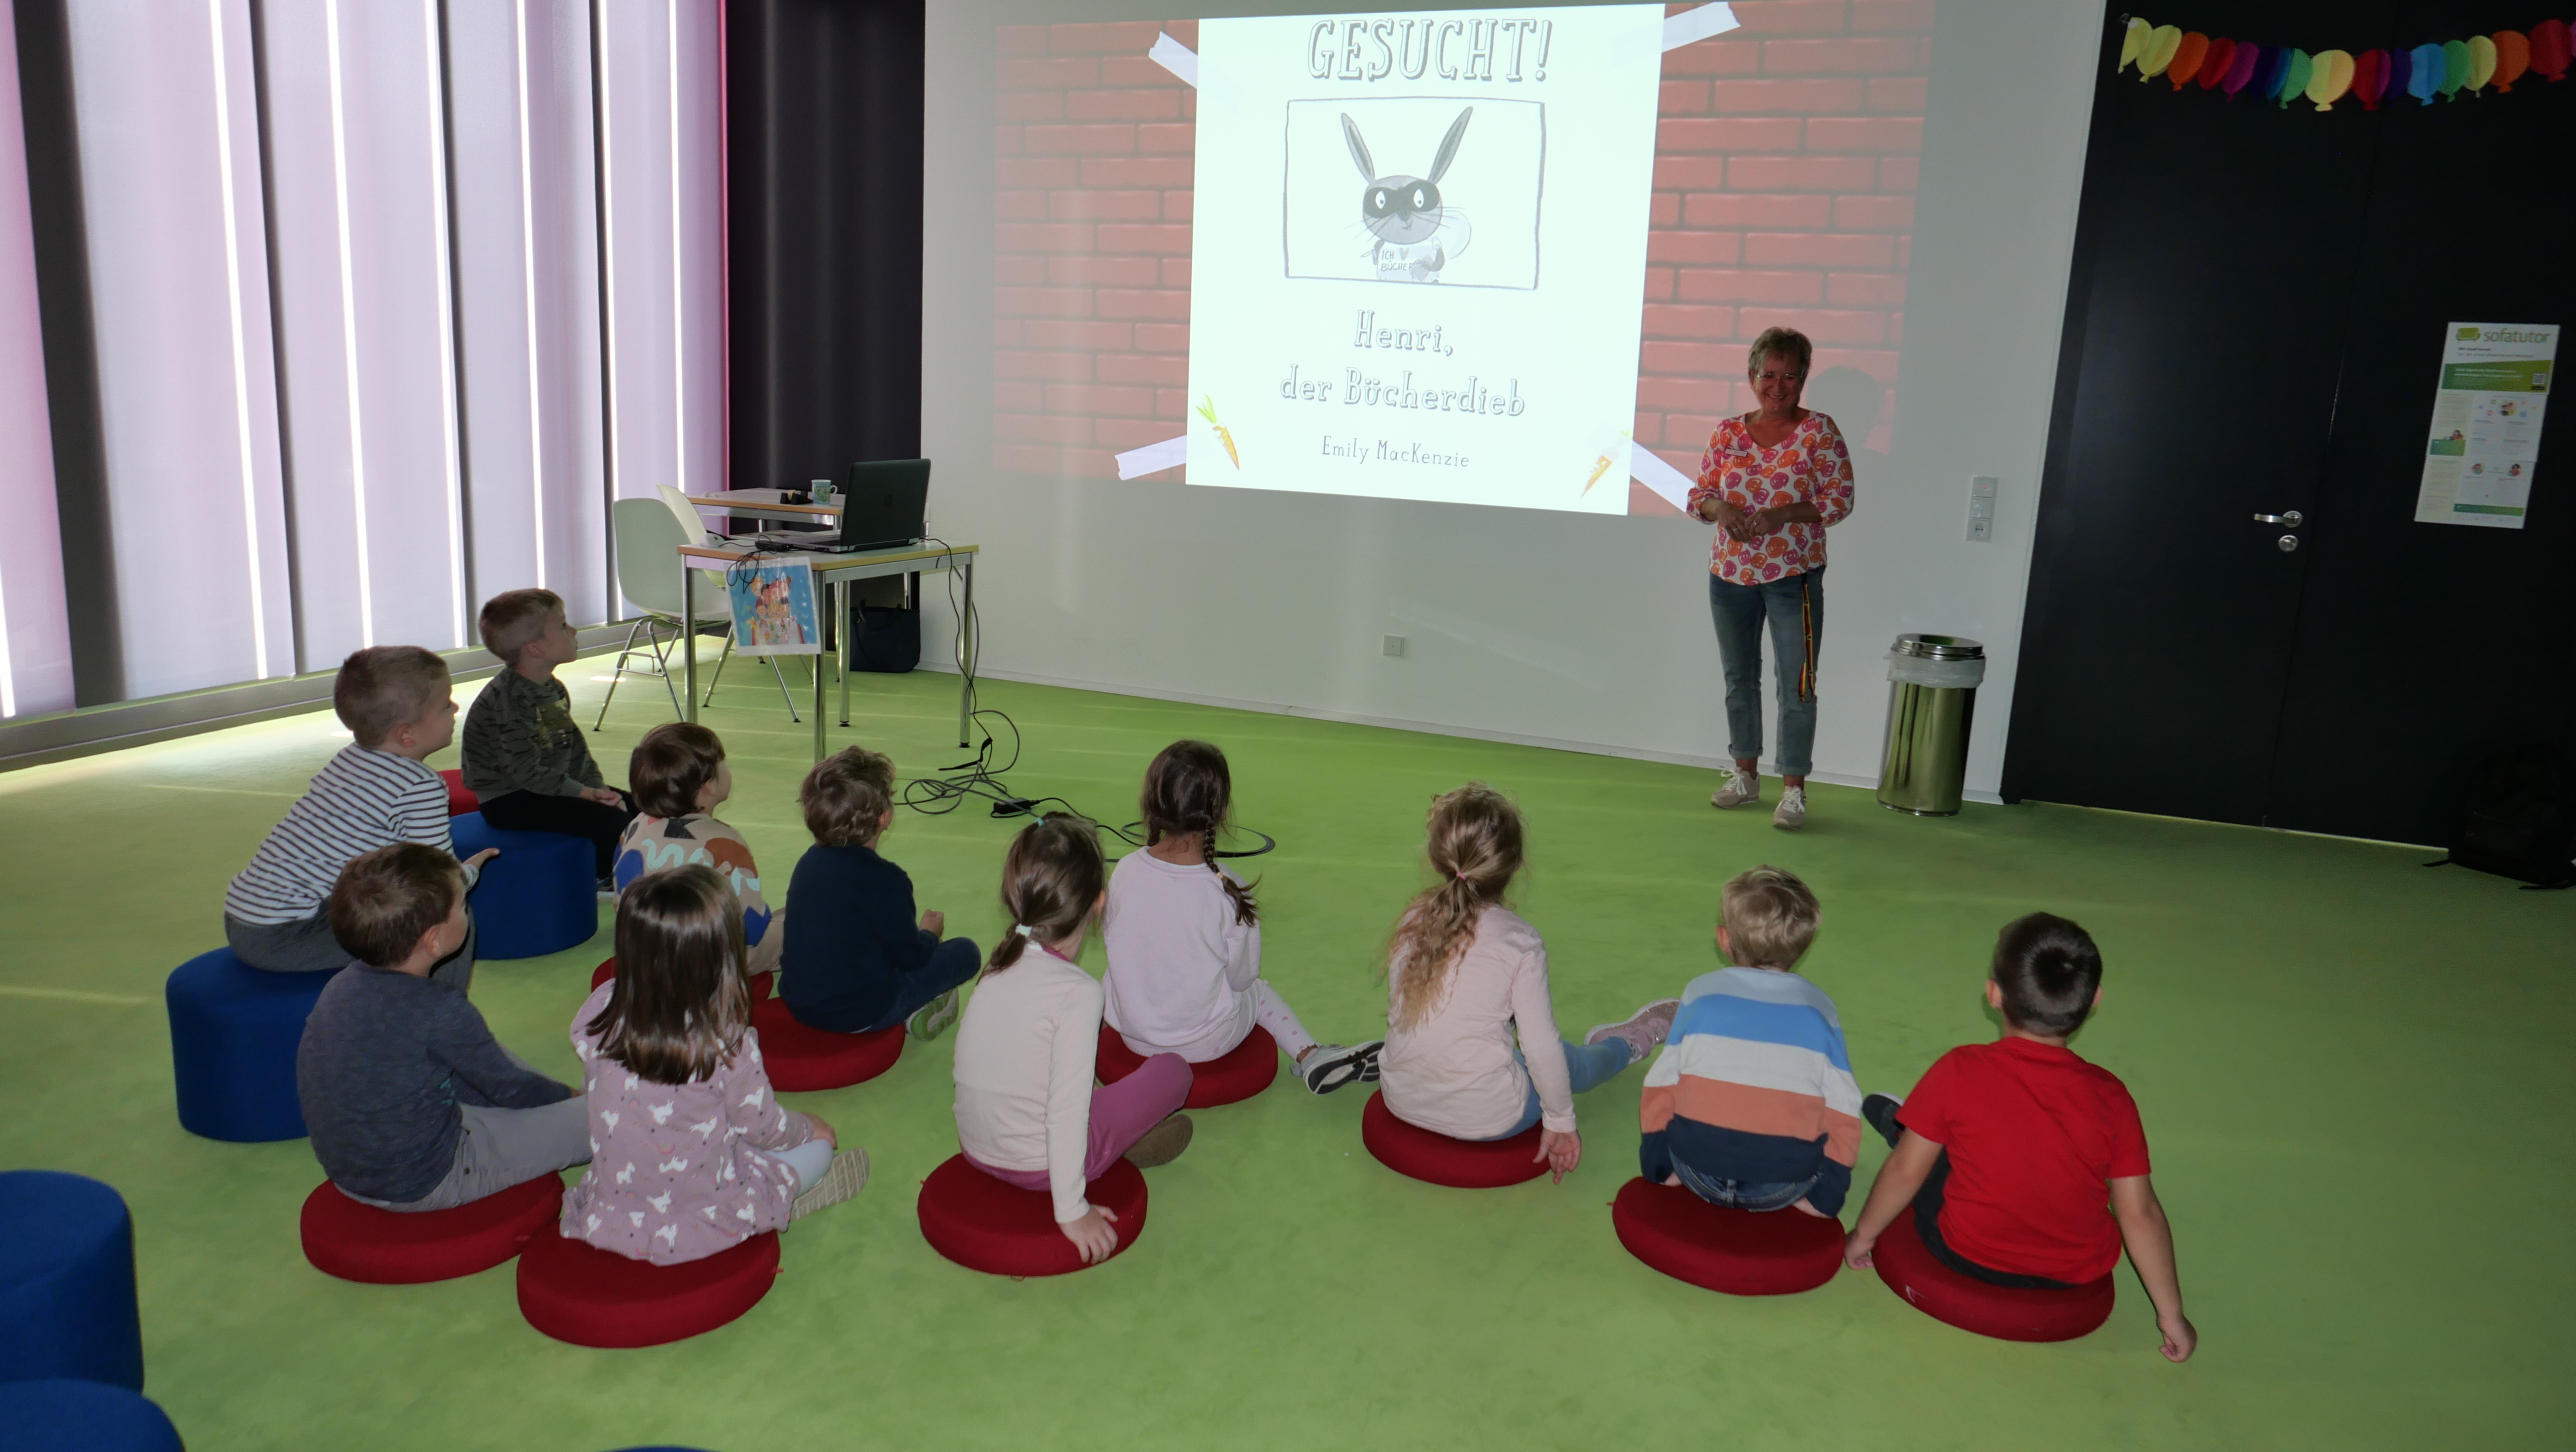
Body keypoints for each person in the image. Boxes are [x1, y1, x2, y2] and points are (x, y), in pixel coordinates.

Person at [1842, 913, 2198, 1362]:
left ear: (1993, 994)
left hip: (1965, 1252)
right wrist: (2172, 1315)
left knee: (1931, 1155)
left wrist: (1863, 1237)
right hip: (2071, 1273)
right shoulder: (2113, 1097)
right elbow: (2139, 1211)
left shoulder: (1961, 1069)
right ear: (2094, 1002)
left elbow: (1905, 1172)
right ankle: (1914, 1125)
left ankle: (1906, 1125)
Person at [562, 865, 864, 1265]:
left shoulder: (601, 1007)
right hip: (703, 1210)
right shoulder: (725, 1045)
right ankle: (776, 1203)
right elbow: (764, 1129)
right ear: (723, 956)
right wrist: (810, 1127)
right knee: (819, 1150)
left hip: (617, 1207)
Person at [1375, 783, 1676, 1182]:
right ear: (1516, 865)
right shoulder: (1519, 941)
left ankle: (1612, 1047)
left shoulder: (1413, 920)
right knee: (1565, 1059)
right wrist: (1561, 1122)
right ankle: (1626, 1046)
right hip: (1492, 1116)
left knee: (1509, 1046)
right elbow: (1540, 1048)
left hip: (1401, 1099)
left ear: (1437, 860)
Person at [952, 814, 1195, 1266]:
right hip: (1041, 1166)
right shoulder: (1080, 994)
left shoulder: (1000, 962)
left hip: (976, 1147)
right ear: (1099, 903)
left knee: (1082, 1082)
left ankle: (1120, 1139)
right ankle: (1118, 1146)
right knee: (1173, 1071)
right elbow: (1064, 1115)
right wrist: (1072, 1210)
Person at [296, 845, 587, 1210]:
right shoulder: (441, 1009)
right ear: (434, 940)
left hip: (353, 1173)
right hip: (430, 1179)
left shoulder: (340, 986)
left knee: (480, 1057)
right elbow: (510, 1088)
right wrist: (571, 1100)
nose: (467, 911)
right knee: (610, 1120)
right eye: (463, 907)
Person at [1102, 740, 1380, 1094]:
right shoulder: (1227, 888)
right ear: (1218, 812)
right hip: (1205, 1045)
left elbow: (1118, 942)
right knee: (1258, 992)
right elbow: (1242, 978)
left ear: (1152, 801)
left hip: (1133, 1038)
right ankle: (1310, 1054)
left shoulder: (1125, 870)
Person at [224, 646, 495, 978]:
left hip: (246, 919)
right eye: (445, 706)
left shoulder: (348, 759)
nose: (455, 708)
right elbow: (437, 883)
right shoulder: (419, 786)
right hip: (288, 936)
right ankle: (438, 1016)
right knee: (447, 919)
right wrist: (470, 872)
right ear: (406, 734)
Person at [1688, 325, 1858, 832]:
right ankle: (1744, 774)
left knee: (1797, 684)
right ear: (1751, 376)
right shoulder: (1726, 432)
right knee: (1739, 680)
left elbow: (1839, 500)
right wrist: (1721, 508)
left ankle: (1793, 788)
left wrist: (1783, 515)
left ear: (1803, 378)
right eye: (1769, 375)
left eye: (1790, 376)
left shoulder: (1820, 431)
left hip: (1793, 578)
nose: (1778, 386)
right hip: (1730, 575)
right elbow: (1699, 496)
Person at [1637, 866, 1860, 1217]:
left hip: (1696, 1174)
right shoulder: (1821, 1009)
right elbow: (1844, 1107)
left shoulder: (1700, 993)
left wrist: (1659, 1166)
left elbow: (1662, 1082)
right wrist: (1827, 1196)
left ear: (1724, 940)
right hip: (1782, 1188)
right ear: (1802, 946)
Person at [777, 746, 982, 1039]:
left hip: (800, 1003)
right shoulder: (888, 880)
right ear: (884, 817)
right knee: (966, 952)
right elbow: (911, 959)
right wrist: (929, 935)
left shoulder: (809, 861)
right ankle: (915, 1009)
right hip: (863, 1012)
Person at [461, 587, 634, 883]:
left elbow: (576, 749)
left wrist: (597, 788)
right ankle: (603, 878)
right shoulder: (510, 701)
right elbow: (527, 773)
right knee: (612, 823)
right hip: (509, 798)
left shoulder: (551, 688)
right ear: (535, 649)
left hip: (549, 784)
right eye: (563, 626)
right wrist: (585, 795)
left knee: (637, 806)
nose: (574, 630)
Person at [612, 723, 782, 978]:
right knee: (803, 920)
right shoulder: (723, 839)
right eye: (722, 762)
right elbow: (752, 929)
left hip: (644, 952)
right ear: (709, 785)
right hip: (709, 963)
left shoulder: (635, 826)